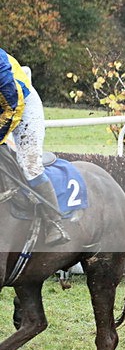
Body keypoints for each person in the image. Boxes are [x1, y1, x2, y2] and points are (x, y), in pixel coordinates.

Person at [0, 48, 69, 245]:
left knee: (29, 164)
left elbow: (12, 108)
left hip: (21, 103)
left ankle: (55, 222)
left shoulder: (0, 67)